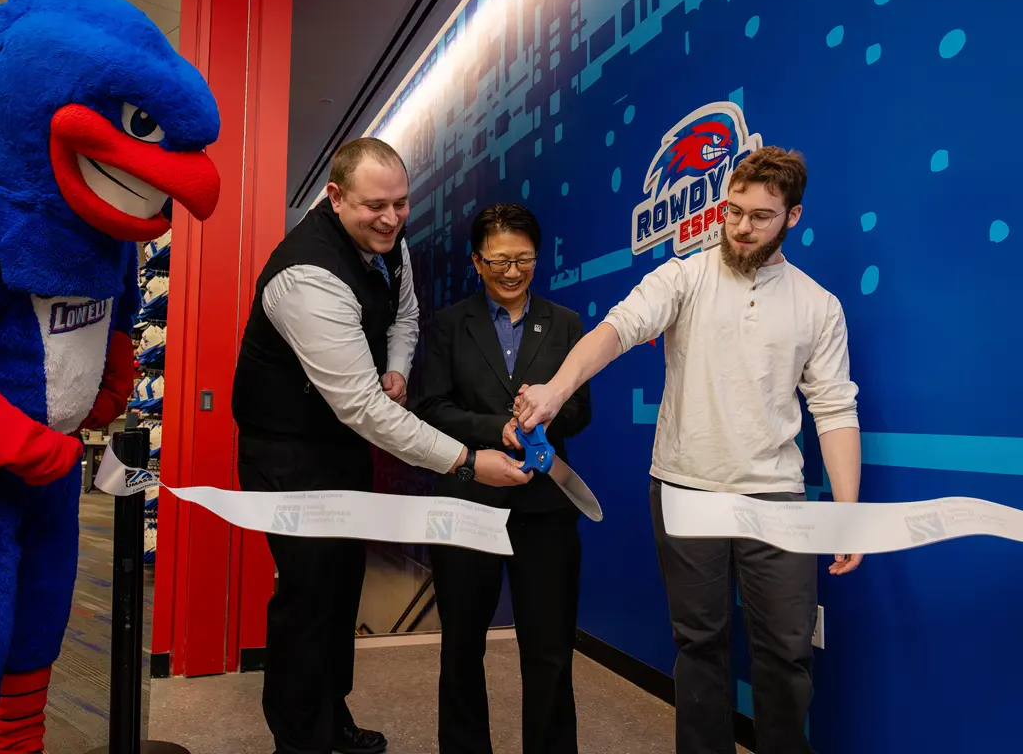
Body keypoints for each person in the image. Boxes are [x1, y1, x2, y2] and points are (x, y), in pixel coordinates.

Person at [514, 147, 861, 754]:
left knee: (787, 651)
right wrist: (555, 390)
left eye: (761, 216)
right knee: (699, 646)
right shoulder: (685, 275)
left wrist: (847, 512)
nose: (741, 227)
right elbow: (618, 329)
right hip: (685, 486)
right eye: (733, 210)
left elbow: (834, 410)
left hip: (776, 497)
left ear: (793, 216)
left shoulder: (819, 305)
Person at [230, 137, 532, 754]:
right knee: (307, 594)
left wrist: (395, 366)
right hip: (287, 452)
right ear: (335, 197)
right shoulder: (306, 278)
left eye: (400, 203)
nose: (392, 219)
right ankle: (301, 741)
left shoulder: (388, 243)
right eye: (376, 206)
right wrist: (467, 461)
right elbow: (363, 408)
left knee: (343, 588)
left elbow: (404, 316)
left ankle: (331, 715)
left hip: (339, 443)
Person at [412, 203, 592, 754]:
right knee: (462, 646)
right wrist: (499, 428)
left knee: (550, 648)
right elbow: (431, 408)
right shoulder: (448, 326)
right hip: (467, 500)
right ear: (476, 261)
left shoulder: (566, 324)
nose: (512, 272)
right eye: (498, 261)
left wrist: (545, 414)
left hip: (545, 509)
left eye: (524, 260)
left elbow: (580, 410)